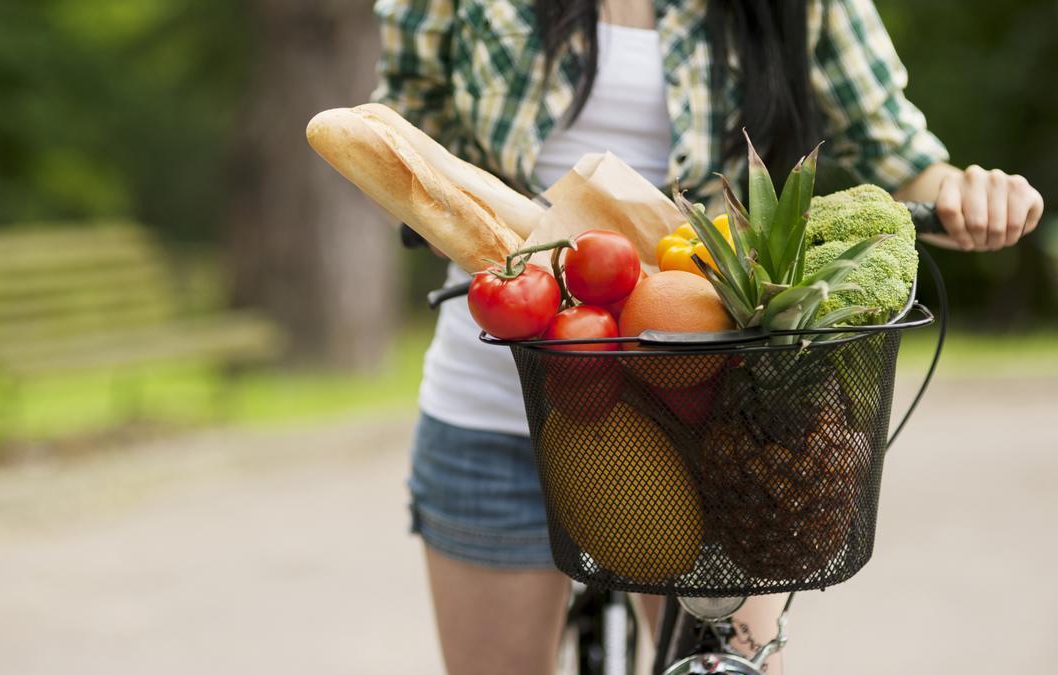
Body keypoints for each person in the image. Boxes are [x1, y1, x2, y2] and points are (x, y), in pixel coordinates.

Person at [371, 1, 1045, 673]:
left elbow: (899, 153)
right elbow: (406, 136)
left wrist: (966, 193)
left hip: (714, 414)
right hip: (500, 404)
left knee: (725, 663)